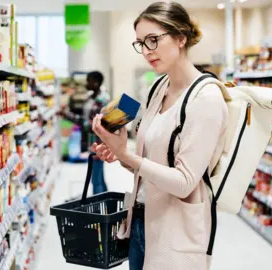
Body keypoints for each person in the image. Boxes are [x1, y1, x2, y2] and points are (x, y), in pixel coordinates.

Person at [91, 2, 228, 270]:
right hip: (141, 222)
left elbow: (184, 182)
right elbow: (147, 162)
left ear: (180, 37)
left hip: (176, 232)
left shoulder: (206, 98)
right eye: (141, 43)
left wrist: (128, 155)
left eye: (153, 39)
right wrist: (119, 155)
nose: (146, 51)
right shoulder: (158, 87)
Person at [64, 71, 110, 195]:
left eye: (88, 80)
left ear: (96, 82)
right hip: (91, 141)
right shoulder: (91, 97)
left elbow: (96, 124)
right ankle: (107, 203)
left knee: (96, 179)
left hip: (99, 143)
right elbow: (85, 119)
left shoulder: (103, 99)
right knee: (99, 175)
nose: (85, 83)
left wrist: (70, 116)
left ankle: (98, 209)